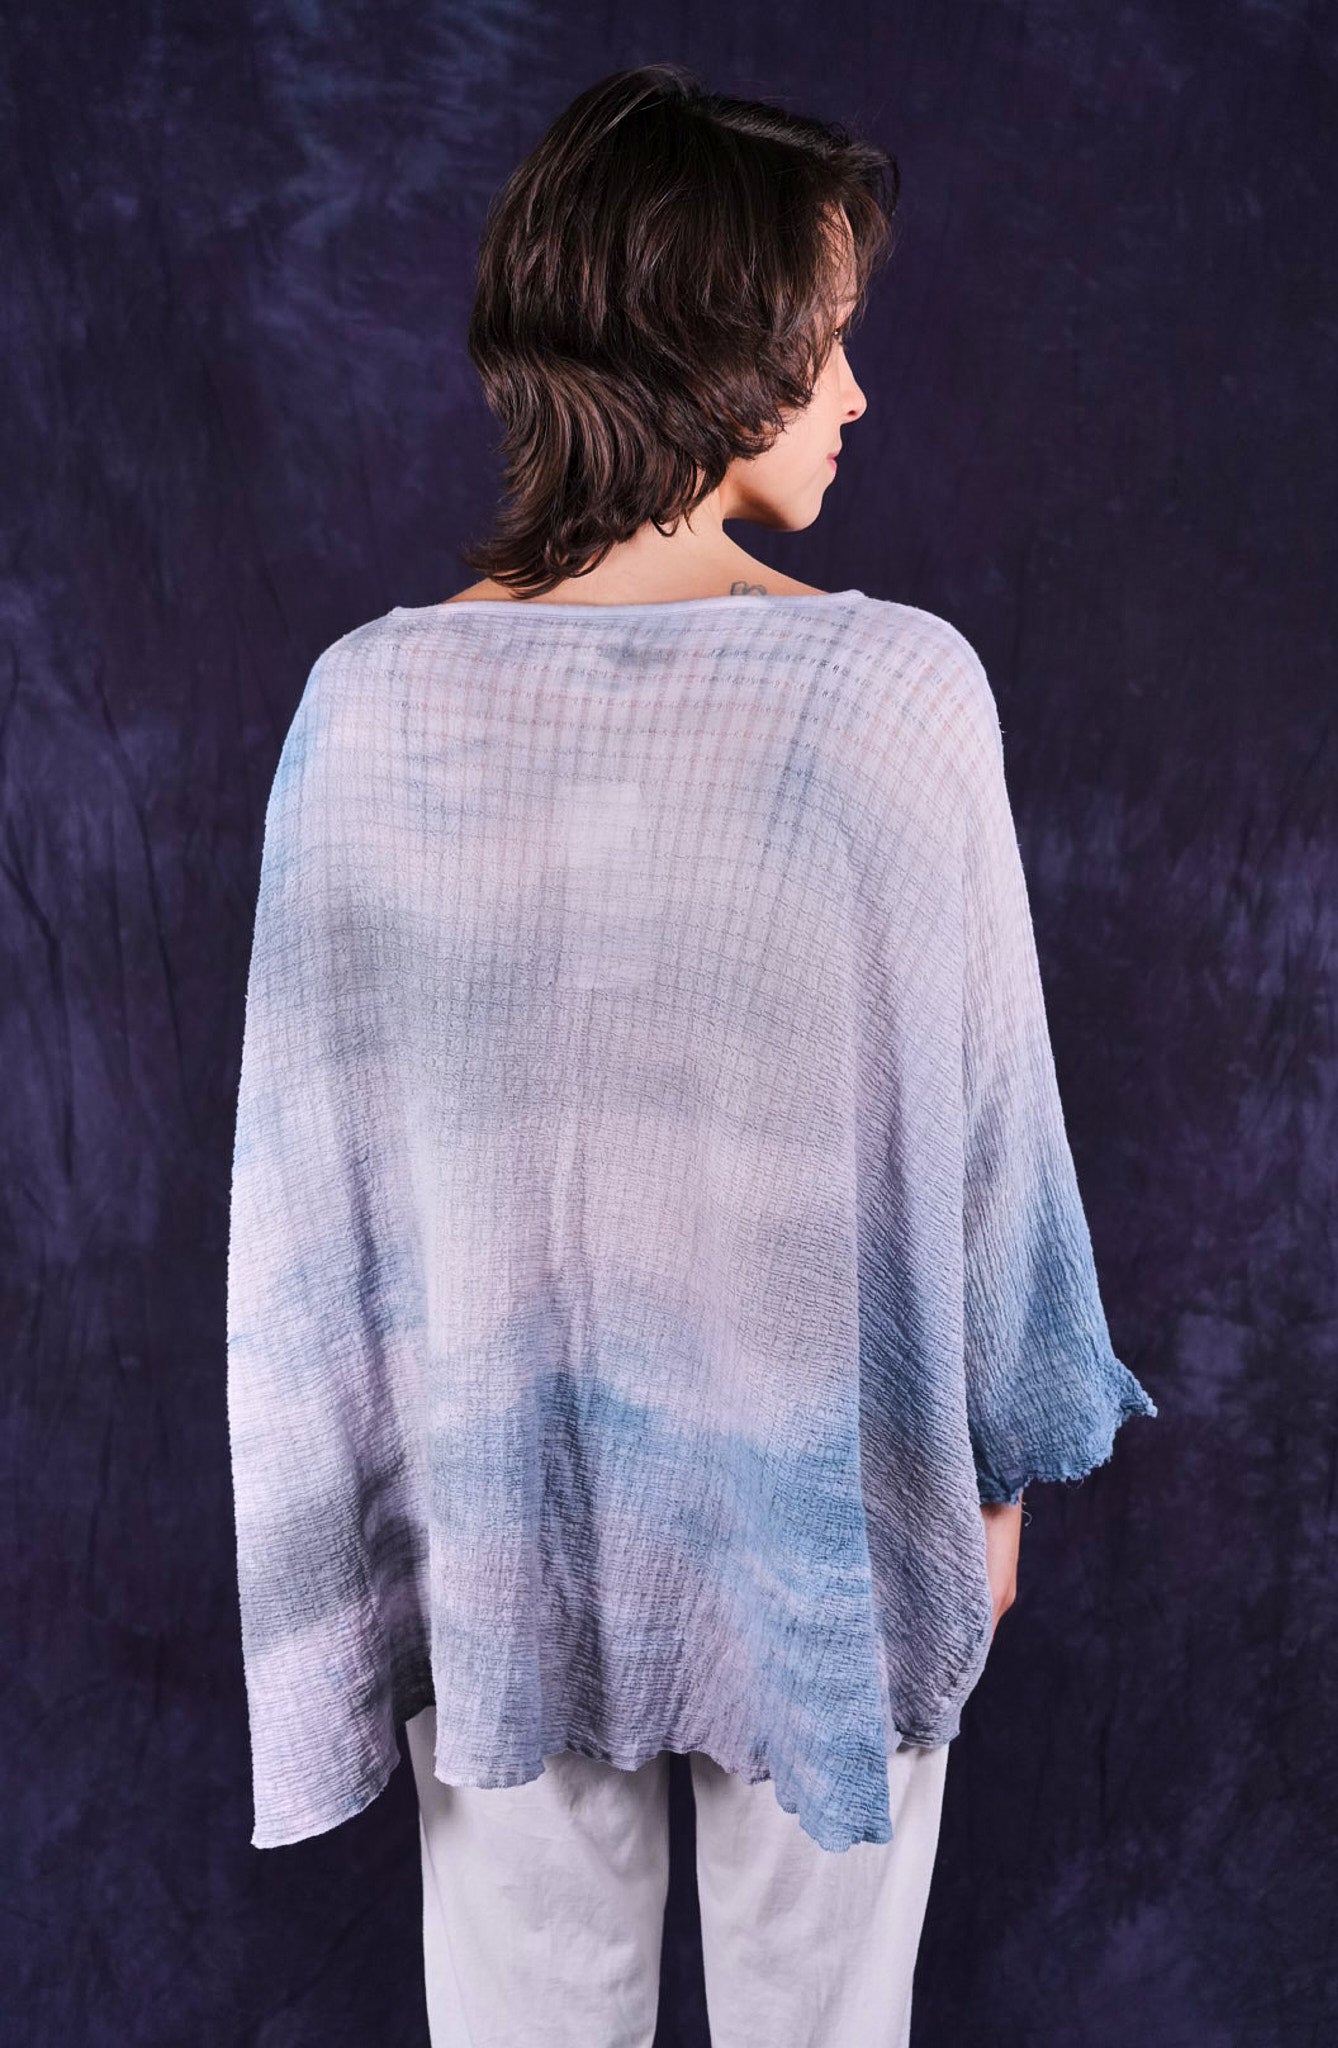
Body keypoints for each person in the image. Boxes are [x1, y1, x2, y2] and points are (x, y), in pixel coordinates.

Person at [226, 61, 1159, 2048]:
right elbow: (989, 1134)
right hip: (816, 1508)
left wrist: (378, 1522)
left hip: (505, 1513)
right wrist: (986, 1476)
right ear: (716, 347)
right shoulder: (883, 689)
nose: (854, 395)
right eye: (827, 340)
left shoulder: (369, 708)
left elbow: (314, 1218)